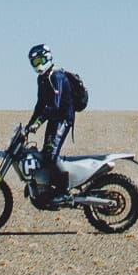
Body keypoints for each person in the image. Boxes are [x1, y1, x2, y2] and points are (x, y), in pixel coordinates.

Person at [26, 44, 86, 186]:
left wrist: (39, 123)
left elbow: (55, 105)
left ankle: (63, 190)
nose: (38, 65)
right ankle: (47, 188)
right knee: (45, 155)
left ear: (47, 58)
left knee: (51, 157)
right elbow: (40, 104)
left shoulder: (56, 76)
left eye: (40, 60)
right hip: (53, 119)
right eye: (35, 62)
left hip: (64, 119)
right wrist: (29, 125)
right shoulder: (41, 79)